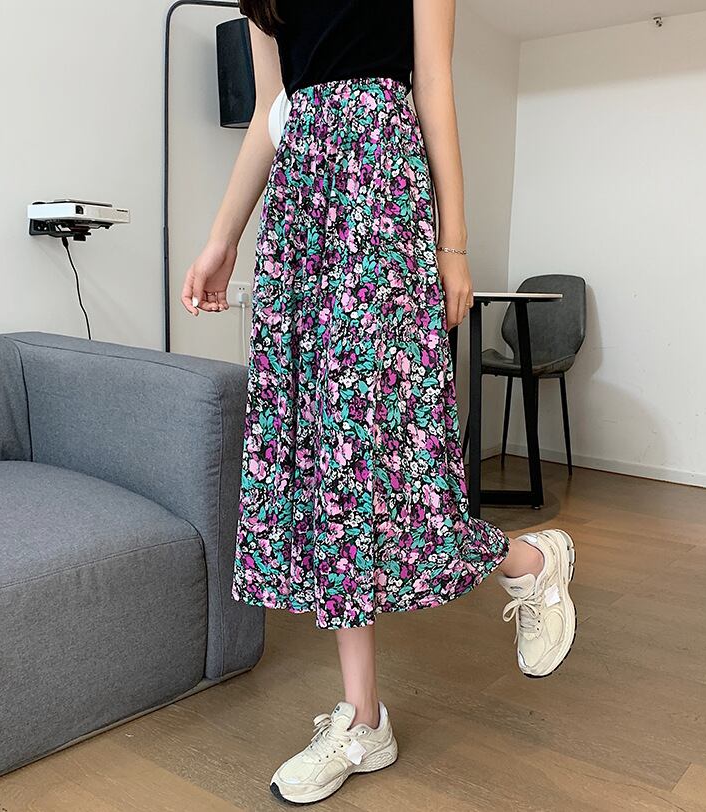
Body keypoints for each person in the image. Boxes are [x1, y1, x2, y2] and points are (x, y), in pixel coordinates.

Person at [180, 0, 577, 804]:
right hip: (301, 210)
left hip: (380, 197)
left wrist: (453, 244)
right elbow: (271, 111)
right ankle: (364, 720)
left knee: (391, 452)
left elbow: (433, 84)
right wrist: (223, 236)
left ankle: (530, 563)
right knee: (318, 462)